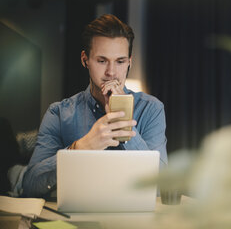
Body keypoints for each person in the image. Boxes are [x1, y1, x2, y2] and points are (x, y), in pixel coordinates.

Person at [22, 14, 168, 198]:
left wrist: (124, 122)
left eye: (120, 61)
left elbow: (162, 186)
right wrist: (81, 148)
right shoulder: (58, 113)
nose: (111, 72)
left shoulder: (151, 109)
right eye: (102, 61)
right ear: (85, 60)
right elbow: (30, 185)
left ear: (129, 62)